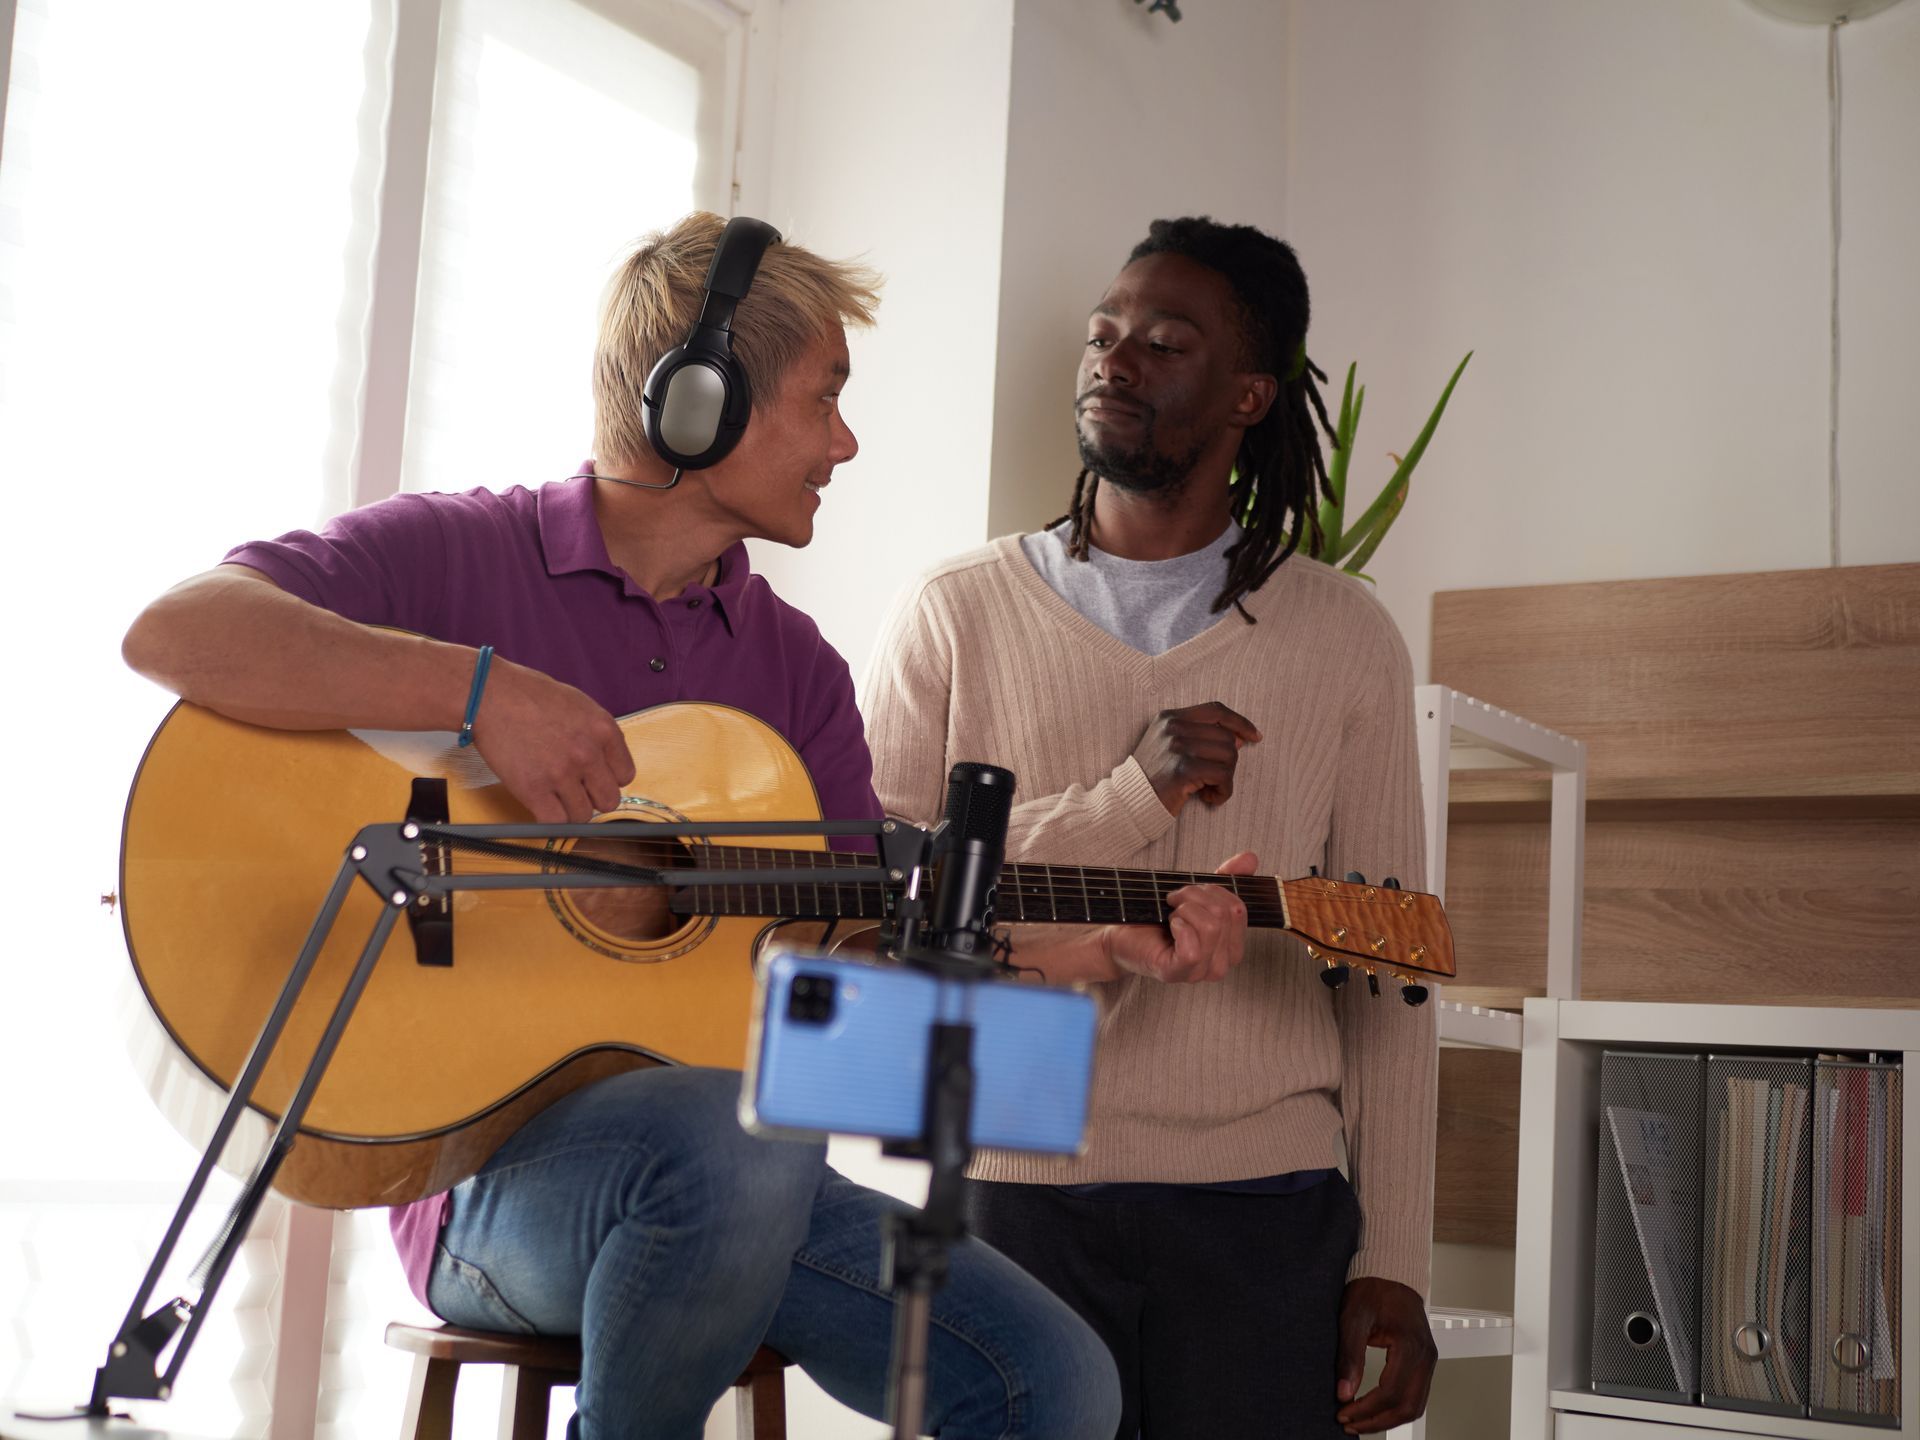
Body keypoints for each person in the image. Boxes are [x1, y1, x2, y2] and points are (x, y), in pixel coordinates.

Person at [119, 212, 1253, 1440]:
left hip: (739, 1178)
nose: (845, 440)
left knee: (1056, 1381)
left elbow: (845, 970)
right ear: (701, 402)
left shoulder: (797, 670)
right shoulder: (458, 553)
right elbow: (178, 631)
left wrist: (1079, 955)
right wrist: (480, 692)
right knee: (734, 1136)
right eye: (825, 399)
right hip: (487, 1191)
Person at [860, 216, 1440, 1439]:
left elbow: (1389, 968)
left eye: (1164, 342)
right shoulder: (953, 613)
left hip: (1266, 1211)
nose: (1113, 361)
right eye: (1101, 335)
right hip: (1007, 1206)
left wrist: (1398, 1255)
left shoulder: (1344, 639)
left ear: (1248, 393)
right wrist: (1134, 797)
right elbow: (882, 916)